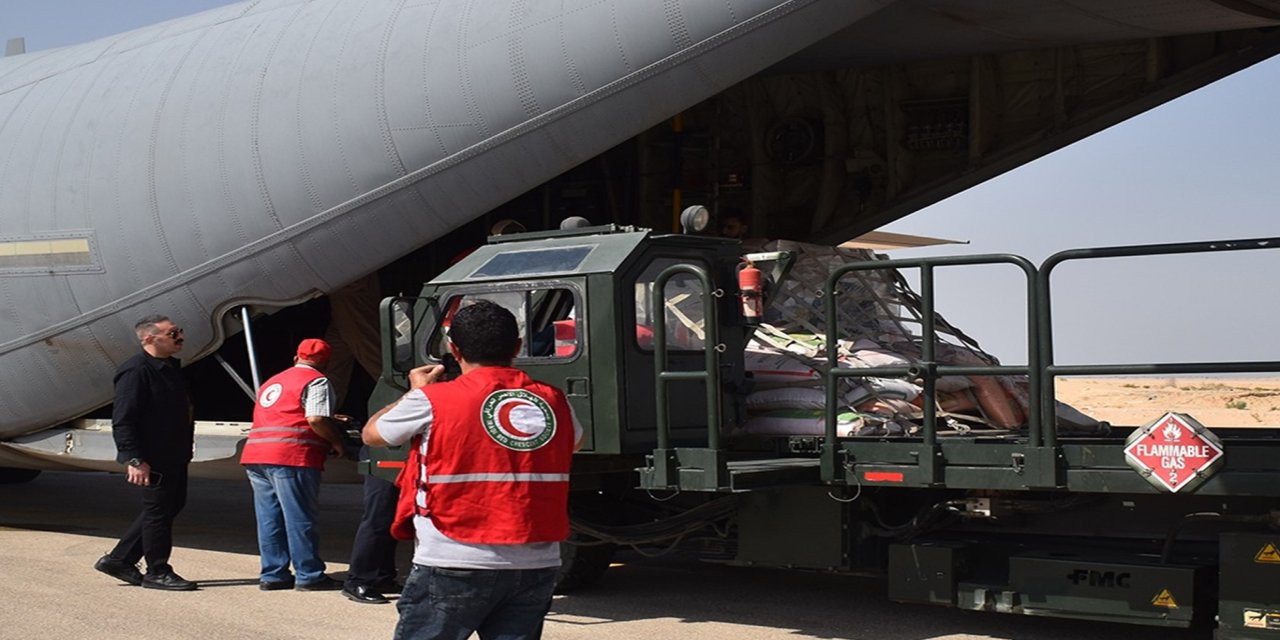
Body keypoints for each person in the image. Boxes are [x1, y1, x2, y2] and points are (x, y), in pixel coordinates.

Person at [363, 300, 582, 639]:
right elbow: (574, 442)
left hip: (454, 555)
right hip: (536, 560)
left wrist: (413, 393)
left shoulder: (433, 400)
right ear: (518, 347)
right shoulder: (554, 400)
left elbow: (374, 435)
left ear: (454, 349)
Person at [94, 314, 198, 591]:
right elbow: (124, 419)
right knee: (157, 512)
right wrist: (135, 459)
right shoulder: (137, 370)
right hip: (154, 456)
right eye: (173, 333)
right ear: (150, 339)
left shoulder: (170, 367)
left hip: (174, 453)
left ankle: (119, 560)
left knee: (169, 506)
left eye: (179, 330)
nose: (180, 337)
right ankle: (157, 571)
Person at [241, 338, 348, 591]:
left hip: (256, 455)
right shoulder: (317, 380)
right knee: (299, 517)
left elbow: (286, 413)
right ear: (325, 361)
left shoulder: (274, 381)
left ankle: (273, 574)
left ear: (295, 358)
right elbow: (315, 418)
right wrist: (337, 441)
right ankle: (309, 574)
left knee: (269, 518)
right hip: (291, 456)